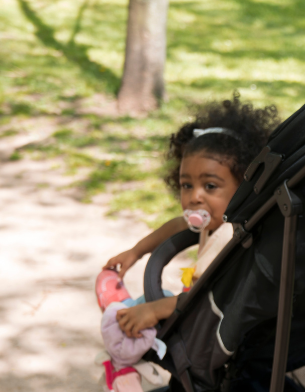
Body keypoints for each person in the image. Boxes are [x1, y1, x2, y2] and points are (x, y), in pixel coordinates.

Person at [103, 95, 279, 338]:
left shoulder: (229, 236)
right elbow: (178, 225)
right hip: (204, 313)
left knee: (129, 322)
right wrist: (137, 251)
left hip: (209, 327)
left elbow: (200, 300)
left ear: (243, 186)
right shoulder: (219, 220)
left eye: (210, 186)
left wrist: (153, 310)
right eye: (186, 185)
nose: (195, 196)